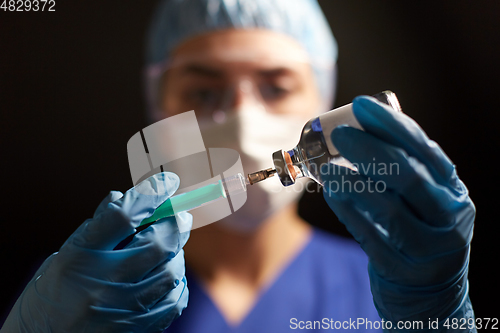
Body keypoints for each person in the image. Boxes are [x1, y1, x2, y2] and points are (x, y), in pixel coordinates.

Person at [1, 0, 476, 332]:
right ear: (157, 104)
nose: (243, 121)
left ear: (323, 100)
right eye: (204, 92)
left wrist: (438, 319)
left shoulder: (397, 287)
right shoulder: (83, 292)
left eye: (276, 87)